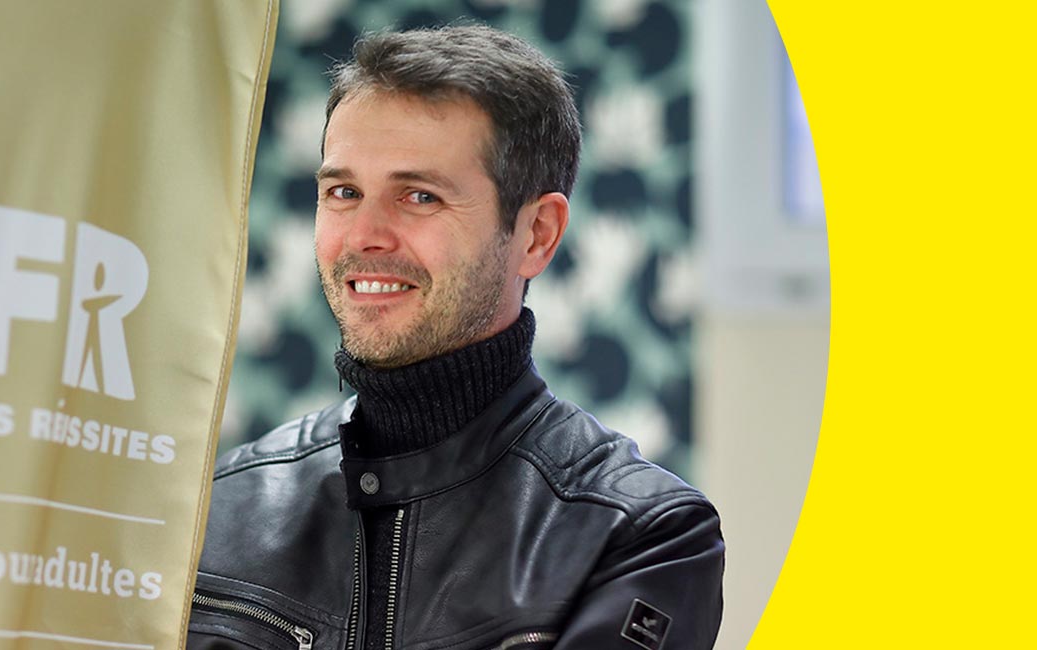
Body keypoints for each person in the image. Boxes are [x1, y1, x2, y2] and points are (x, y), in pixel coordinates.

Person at [186, 25, 723, 650]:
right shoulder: (221, 506)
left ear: (537, 235)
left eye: (419, 196)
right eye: (344, 192)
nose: (365, 236)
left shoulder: (641, 536)